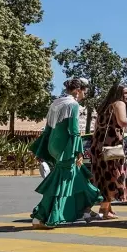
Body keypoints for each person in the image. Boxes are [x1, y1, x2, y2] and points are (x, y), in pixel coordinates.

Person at [29, 78, 103, 229]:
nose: (85, 94)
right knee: (62, 182)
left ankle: (85, 208)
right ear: (77, 91)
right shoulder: (73, 104)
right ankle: (41, 216)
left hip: (54, 146)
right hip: (66, 148)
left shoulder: (56, 103)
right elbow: (74, 130)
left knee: (75, 178)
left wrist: (41, 149)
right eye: (84, 91)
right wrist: (79, 152)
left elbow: (48, 128)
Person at [90, 83, 127, 219]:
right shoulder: (119, 104)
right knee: (113, 176)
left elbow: (96, 127)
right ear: (118, 94)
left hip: (99, 145)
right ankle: (104, 210)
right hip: (112, 146)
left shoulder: (104, 107)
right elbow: (122, 122)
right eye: (125, 93)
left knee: (102, 176)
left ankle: (108, 209)